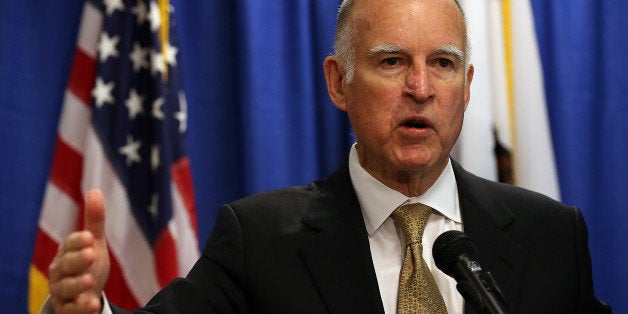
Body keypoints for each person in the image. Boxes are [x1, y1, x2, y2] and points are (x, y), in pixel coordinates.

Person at [46, 0, 610, 313]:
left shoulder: (551, 235)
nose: (420, 87)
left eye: (441, 63)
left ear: (467, 85)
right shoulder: (260, 240)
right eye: (391, 62)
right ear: (338, 83)